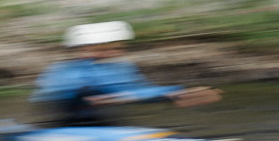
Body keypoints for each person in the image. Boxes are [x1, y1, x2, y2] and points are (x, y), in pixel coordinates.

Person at [31, 22, 219, 127]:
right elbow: (49, 95)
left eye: (116, 48)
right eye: (104, 48)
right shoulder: (64, 70)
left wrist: (173, 93)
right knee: (84, 94)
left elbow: (138, 91)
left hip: (105, 123)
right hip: (64, 124)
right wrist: (97, 96)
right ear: (82, 49)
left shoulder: (122, 67)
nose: (113, 52)